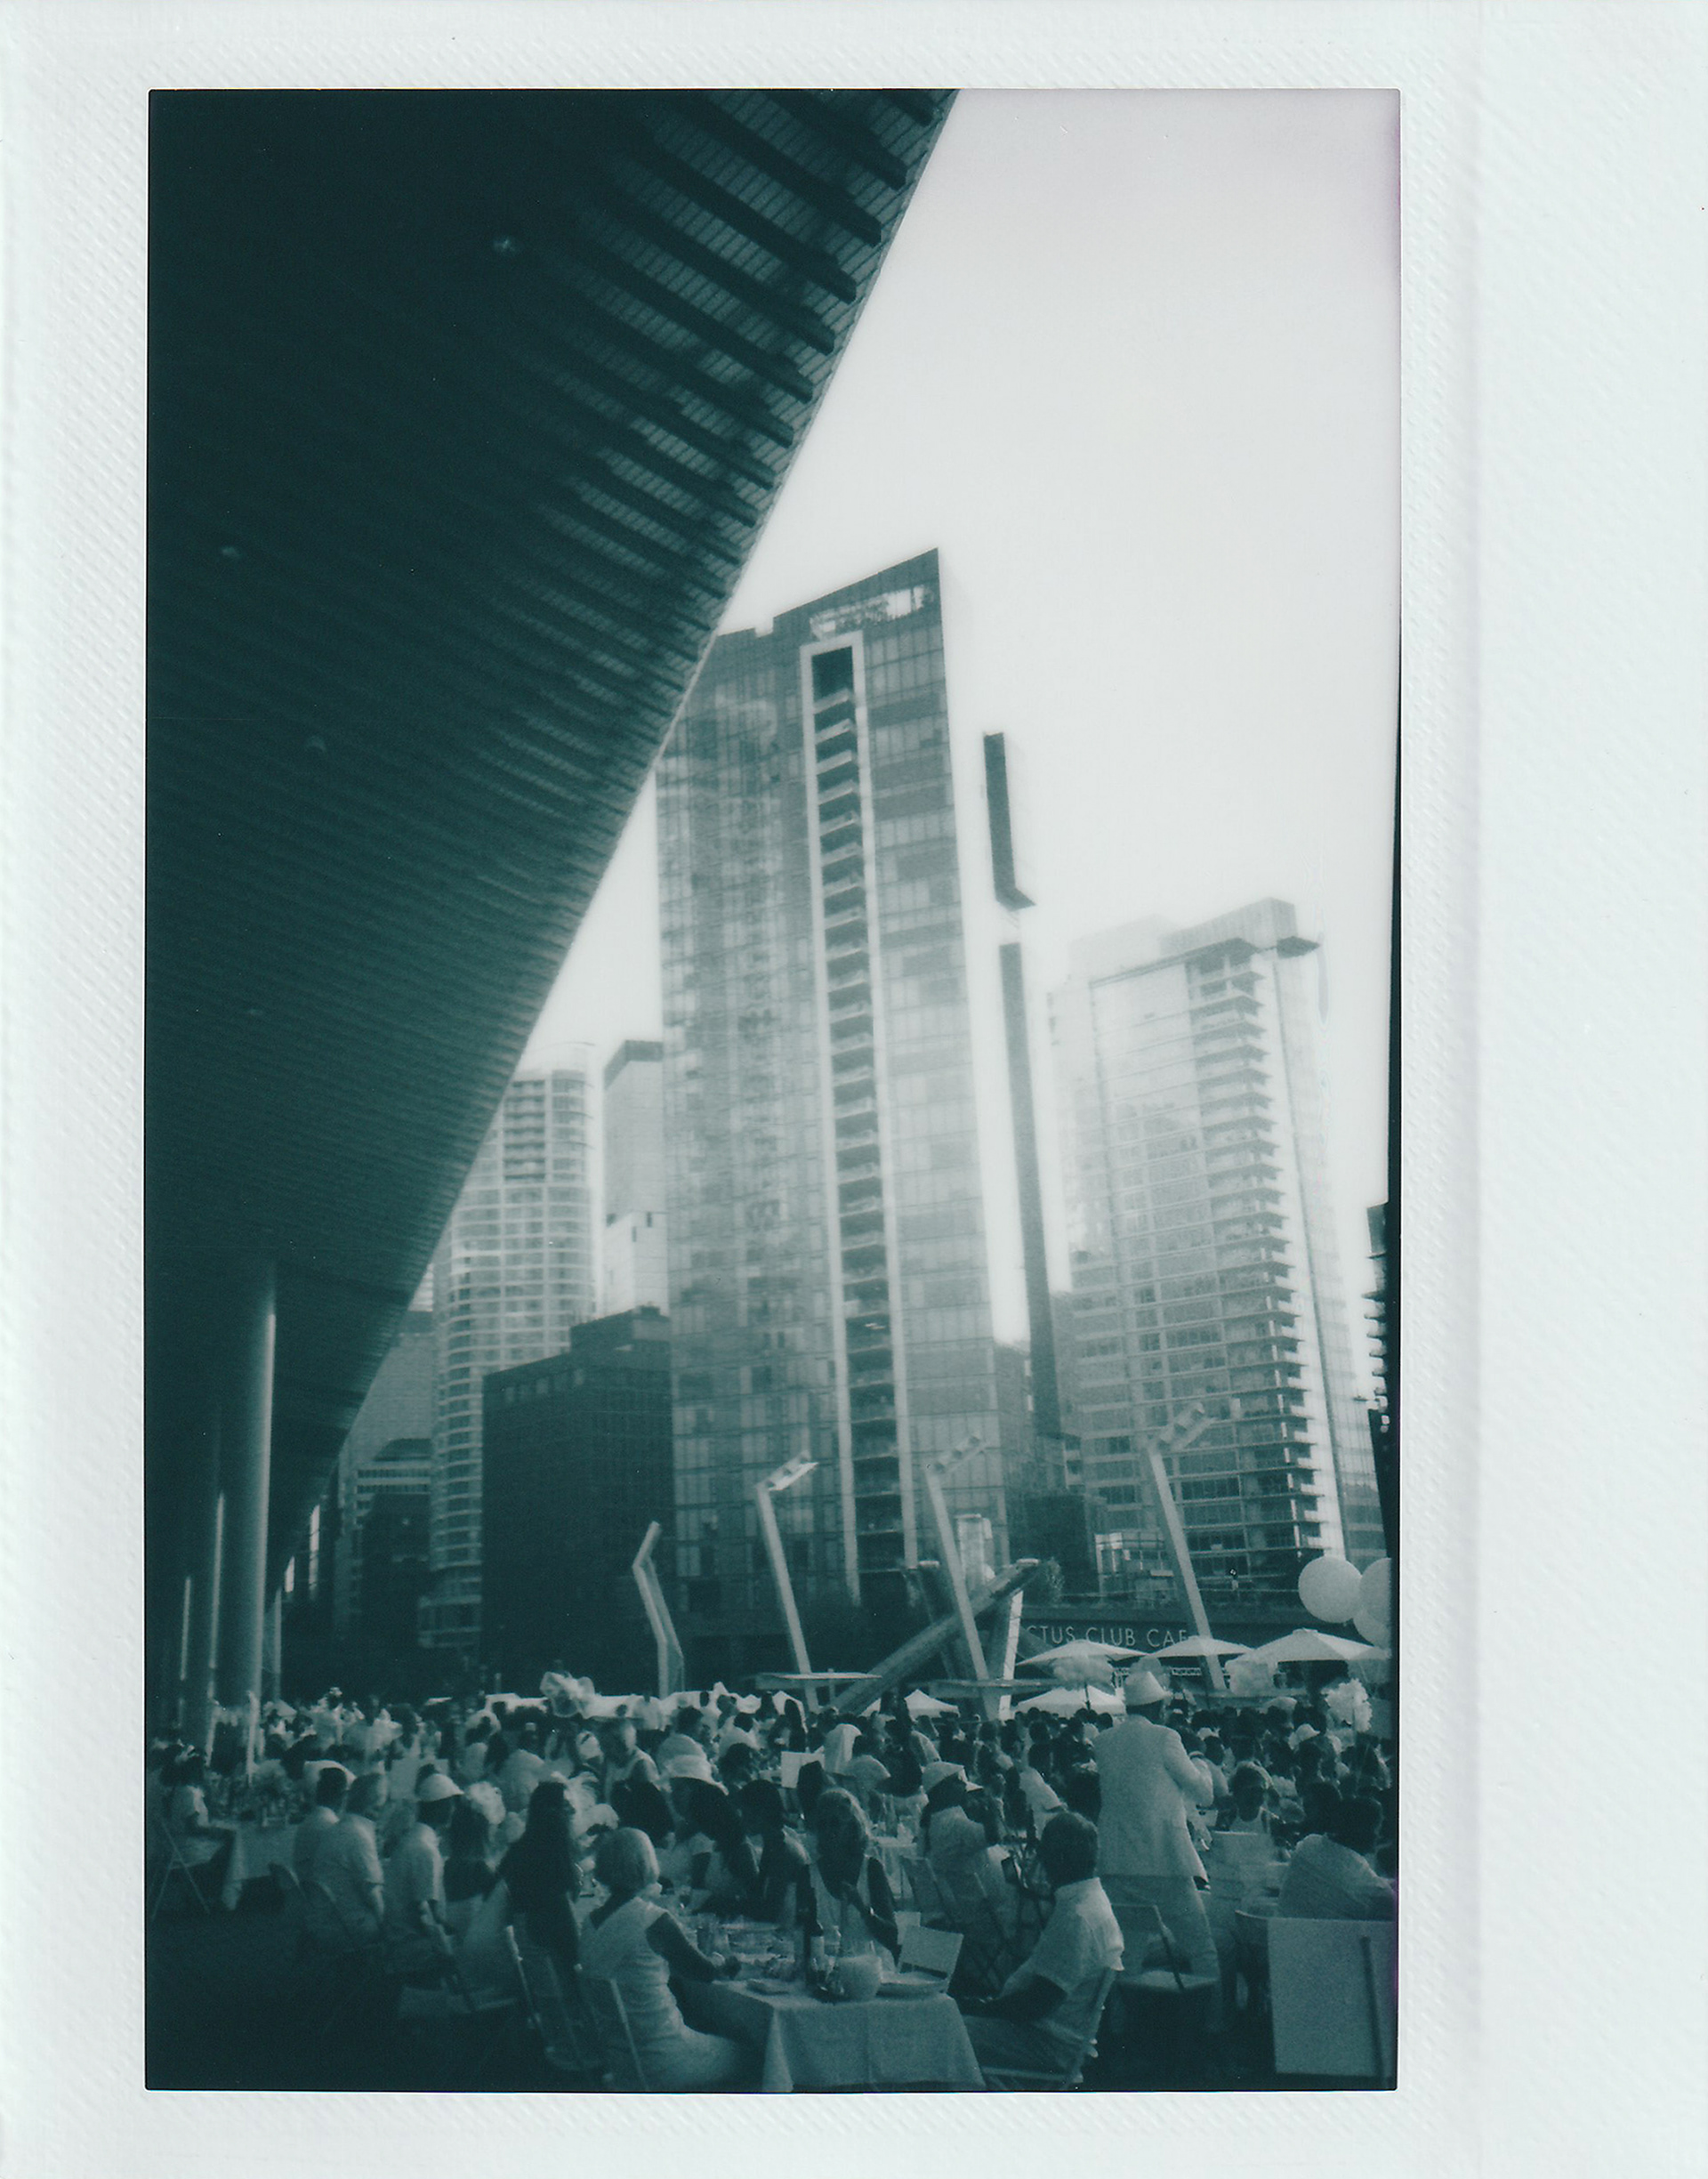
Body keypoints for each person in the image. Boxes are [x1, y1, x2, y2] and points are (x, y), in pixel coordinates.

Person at [579, 1828, 754, 2089]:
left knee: (706, 2023)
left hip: (623, 2059)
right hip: (666, 2058)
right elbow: (705, 1973)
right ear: (646, 1863)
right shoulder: (653, 1919)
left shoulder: (589, 1923)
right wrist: (724, 1962)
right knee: (755, 2055)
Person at [961, 1812, 1124, 2078]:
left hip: (1046, 2044)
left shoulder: (1078, 1917)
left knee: (940, 2033)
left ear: (1057, 1860)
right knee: (944, 2025)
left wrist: (982, 2008)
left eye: (1042, 1852)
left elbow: (1038, 2004)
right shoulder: (1088, 1901)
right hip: (1045, 2034)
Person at [1091, 1669, 1220, 2005]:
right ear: (1157, 1707)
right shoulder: (1166, 1738)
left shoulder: (1103, 1742)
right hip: (1165, 1861)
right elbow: (1204, 1793)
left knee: (1127, 1955)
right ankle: (1214, 2027)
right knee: (1202, 1948)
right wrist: (1200, 1762)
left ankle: (1122, 2028)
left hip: (1117, 1862)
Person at [496, 1778, 584, 1981]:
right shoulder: (550, 1863)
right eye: (566, 1806)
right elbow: (571, 1942)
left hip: (537, 1972)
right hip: (558, 1977)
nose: (573, 1811)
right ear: (552, 1815)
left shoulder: (521, 1850)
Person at [385, 1771, 462, 1974]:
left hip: (400, 1935)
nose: (453, 1811)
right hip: (411, 1945)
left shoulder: (414, 1839)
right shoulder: (424, 1850)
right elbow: (429, 1915)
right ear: (441, 1807)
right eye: (451, 1805)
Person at [1275, 1792, 1396, 1921]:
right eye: (1378, 1829)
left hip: (1282, 1936)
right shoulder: (1370, 1889)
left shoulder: (1308, 1844)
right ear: (1367, 1832)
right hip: (1333, 1941)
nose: (1379, 1835)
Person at [808, 1788, 899, 1957]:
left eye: (835, 1823)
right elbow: (803, 1934)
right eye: (822, 1825)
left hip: (871, 1965)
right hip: (825, 1966)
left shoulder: (871, 1869)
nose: (827, 1831)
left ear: (852, 1827)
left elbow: (892, 1938)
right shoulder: (809, 1874)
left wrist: (863, 1908)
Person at [312, 1769, 389, 1950]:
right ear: (375, 1807)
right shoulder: (358, 1836)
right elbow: (374, 1897)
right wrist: (391, 1933)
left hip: (328, 1917)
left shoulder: (338, 1829)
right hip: (349, 1925)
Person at [737, 1780, 811, 1925]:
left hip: (788, 1933)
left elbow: (770, 1911)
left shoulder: (784, 1850)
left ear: (760, 1812)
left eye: (745, 1813)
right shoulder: (774, 1841)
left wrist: (732, 1905)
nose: (742, 1819)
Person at [165, 1751, 235, 1895]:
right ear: (197, 1772)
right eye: (204, 1769)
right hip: (189, 1847)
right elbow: (193, 1828)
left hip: (181, 1844)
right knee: (230, 1845)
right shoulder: (190, 1794)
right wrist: (215, 1831)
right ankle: (219, 1892)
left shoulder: (181, 1789)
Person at [293, 1763, 350, 1879]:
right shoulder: (331, 1826)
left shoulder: (310, 1819)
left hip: (306, 1884)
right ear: (343, 1795)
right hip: (319, 1888)